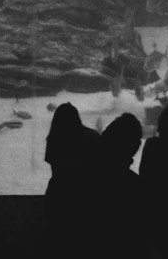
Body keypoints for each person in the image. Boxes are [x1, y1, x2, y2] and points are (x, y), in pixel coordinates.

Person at [44, 102, 101, 240]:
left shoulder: (53, 139)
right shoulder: (93, 137)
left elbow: (53, 164)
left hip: (58, 195)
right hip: (86, 199)